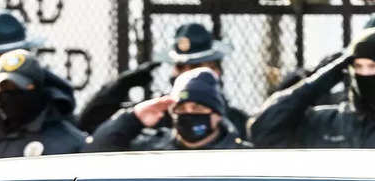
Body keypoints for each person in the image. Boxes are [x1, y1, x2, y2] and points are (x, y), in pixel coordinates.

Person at [79, 23, 249, 139]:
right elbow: (89, 126)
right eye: (181, 67)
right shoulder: (155, 116)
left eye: (195, 66)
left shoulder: (236, 122)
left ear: (216, 71)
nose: (187, 74)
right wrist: (120, 86)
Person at [249, 27, 375, 148]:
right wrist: (321, 81)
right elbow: (264, 130)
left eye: (373, 66)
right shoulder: (329, 123)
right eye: (358, 66)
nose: (364, 74)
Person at [83, 67, 251, 152]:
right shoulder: (151, 148)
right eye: (181, 107)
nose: (189, 113)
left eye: (198, 107)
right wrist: (132, 119)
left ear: (217, 114)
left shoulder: (241, 156)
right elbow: (92, 153)